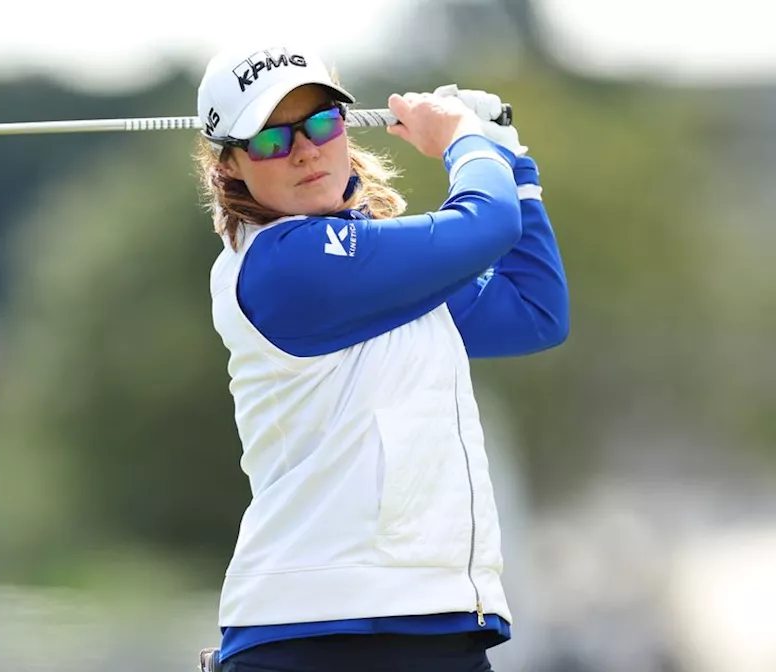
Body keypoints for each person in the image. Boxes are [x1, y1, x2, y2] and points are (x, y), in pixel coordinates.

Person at [192, 43, 570, 672]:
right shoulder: (282, 264)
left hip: (437, 626)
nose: (307, 149)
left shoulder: (383, 274)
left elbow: (534, 311)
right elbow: (485, 225)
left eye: (321, 123)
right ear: (230, 166)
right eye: (270, 140)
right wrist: (465, 141)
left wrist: (514, 160)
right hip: (309, 635)